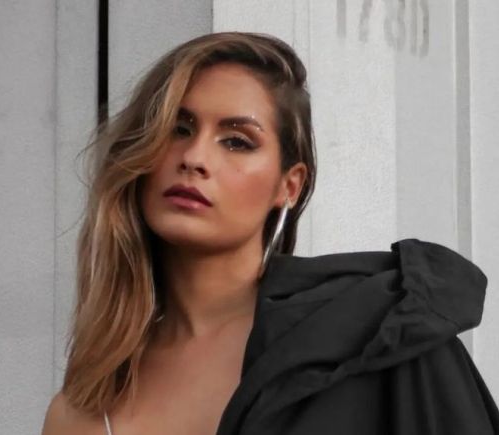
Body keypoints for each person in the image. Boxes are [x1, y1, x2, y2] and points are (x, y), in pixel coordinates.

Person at [41, 31, 499, 434]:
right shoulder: (78, 409)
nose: (194, 158)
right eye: (177, 129)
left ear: (289, 186)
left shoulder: (381, 335)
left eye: (237, 141)